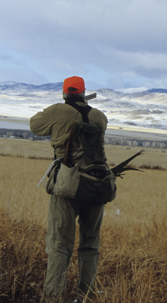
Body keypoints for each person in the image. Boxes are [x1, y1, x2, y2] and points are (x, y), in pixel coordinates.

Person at [30, 76, 108, 302]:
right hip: (96, 184)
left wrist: (55, 109)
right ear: (84, 92)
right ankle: (86, 297)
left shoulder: (57, 111)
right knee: (90, 245)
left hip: (67, 184)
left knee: (59, 246)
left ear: (65, 93)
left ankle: (53, 297)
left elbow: (35, 125)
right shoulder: (99, 116)